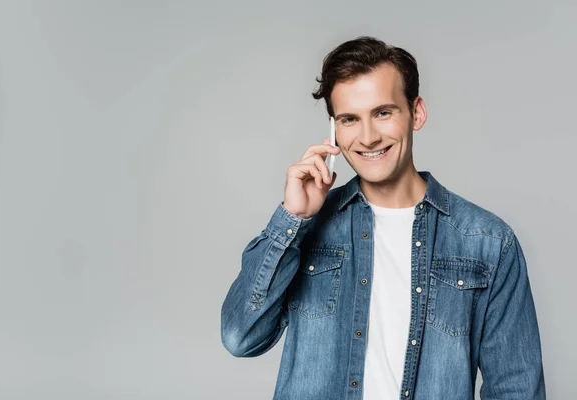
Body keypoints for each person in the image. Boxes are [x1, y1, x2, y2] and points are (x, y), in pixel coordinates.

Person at [220, 36, 546, 399]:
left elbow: (517, 388)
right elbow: (240, 337)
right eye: (349, 119)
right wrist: (292, 219)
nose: (368, 137)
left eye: (383, 112)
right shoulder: (306, 228)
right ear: (333, 129)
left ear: (416, 112)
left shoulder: (487, 242)